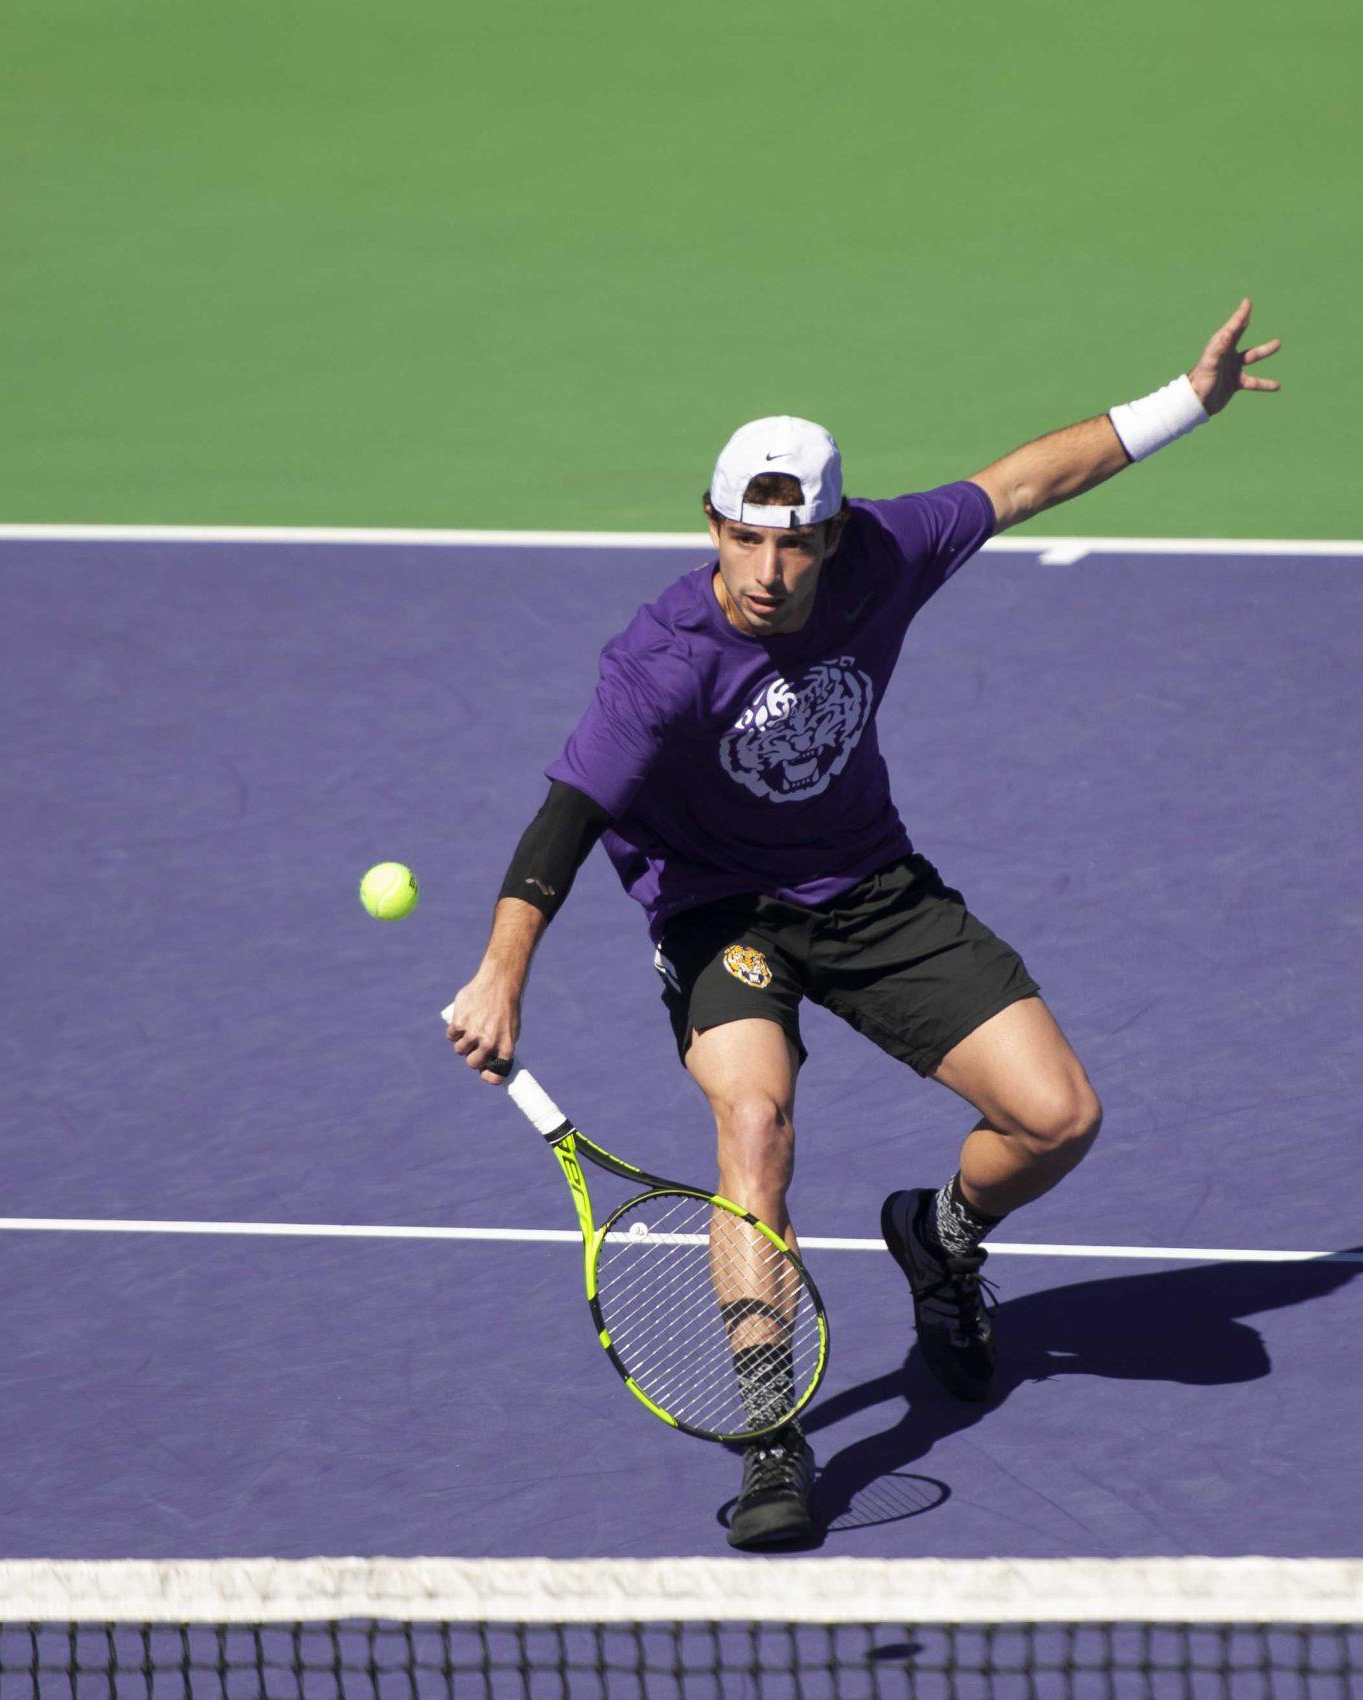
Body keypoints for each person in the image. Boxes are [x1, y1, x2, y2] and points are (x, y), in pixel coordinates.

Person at [445, 301, 1282, 1548]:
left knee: (1059, 1117)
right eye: (745, 539)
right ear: (711, 526)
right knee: (754, 1119)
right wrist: (499, 971)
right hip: (718, 907)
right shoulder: (661, 661)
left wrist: (1189, 400)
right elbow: (564, 820)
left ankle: (938, 1236)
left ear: (832, 533)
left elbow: (1029, 477)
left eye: (794, 543)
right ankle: (771, 1432)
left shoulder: (883, 554)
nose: (771, 570)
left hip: (869, 885)